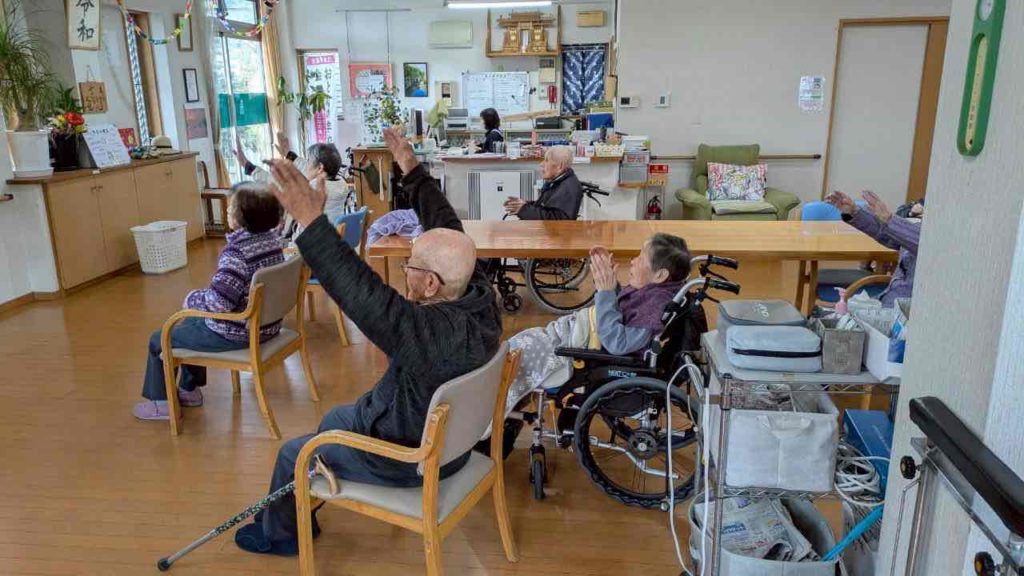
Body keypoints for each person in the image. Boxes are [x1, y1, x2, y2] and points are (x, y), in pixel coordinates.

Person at [233, 126, 503, 556]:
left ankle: (280, 537)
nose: (406, 269)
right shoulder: (478, 296)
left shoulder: (428, 334)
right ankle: (311, 495)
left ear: (430, 284)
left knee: (293, 454)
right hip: (456, 447)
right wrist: (412, 171)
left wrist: (311, 222)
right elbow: (449, 229)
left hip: (410, 457)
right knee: (334, 420)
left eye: (411, 263)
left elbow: (366, 297)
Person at [132, 183, 285, 420]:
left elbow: (219, 304)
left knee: (159, 338)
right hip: (267, 326)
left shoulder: (237, 253)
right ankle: (188, 390)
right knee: (191, 323)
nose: (228, 210)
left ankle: (162, 404)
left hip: (238, 332)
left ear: (244, 217)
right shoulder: (272, 242)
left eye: (232, 207)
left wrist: (192, 298)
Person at [502, 234, 691, 415]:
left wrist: (606, 291)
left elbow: (617, 343)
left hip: (575, 351)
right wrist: (609, 284)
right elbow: (620, 312)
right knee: (518, 347)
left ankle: (494, 415)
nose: (633, 261)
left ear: (660, 275)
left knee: (512, 360)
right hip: (572, 333)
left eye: (641, 258)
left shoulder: (654, 308)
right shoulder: (656, 294)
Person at [236, 132, 354, 237]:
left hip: (309, 244)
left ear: (320, 168)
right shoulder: (341, 183)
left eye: (308, 161)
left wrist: (249, 168)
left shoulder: (313, 189)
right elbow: (306, 170)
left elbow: (273, 181)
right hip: (330, 237)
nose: (306, 164)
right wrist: (289, 155)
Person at [826, 189, 921, 307]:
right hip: (886, 300)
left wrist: (890, 219)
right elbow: (888, 236)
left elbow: (923, 245)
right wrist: (854, 212)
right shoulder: (922, 225)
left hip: (906, 310)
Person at [504, 146, 582, 221]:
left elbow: (557, 221)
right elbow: (545, 207)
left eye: (546, 160)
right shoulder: (556, 182)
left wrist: (524, 210)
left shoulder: (568, 188)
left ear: (560, 166)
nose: (541, 164)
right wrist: (525, 205)